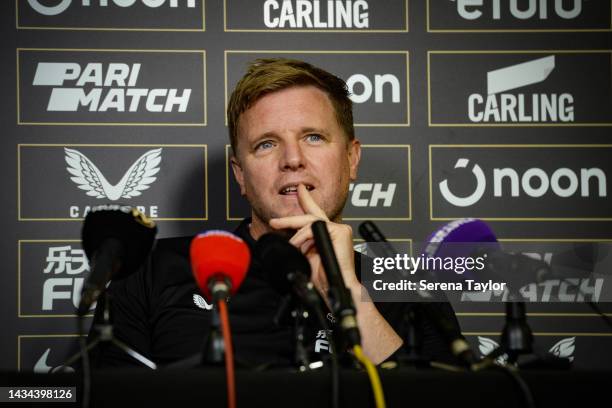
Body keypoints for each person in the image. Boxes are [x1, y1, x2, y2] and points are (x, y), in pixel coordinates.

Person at [88, 58, 461, 368]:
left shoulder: (411, 290)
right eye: (266, 144)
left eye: (313, 137)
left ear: (351, 159)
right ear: (241, 175)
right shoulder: (152, 271)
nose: (293, 160)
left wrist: (346, 293)